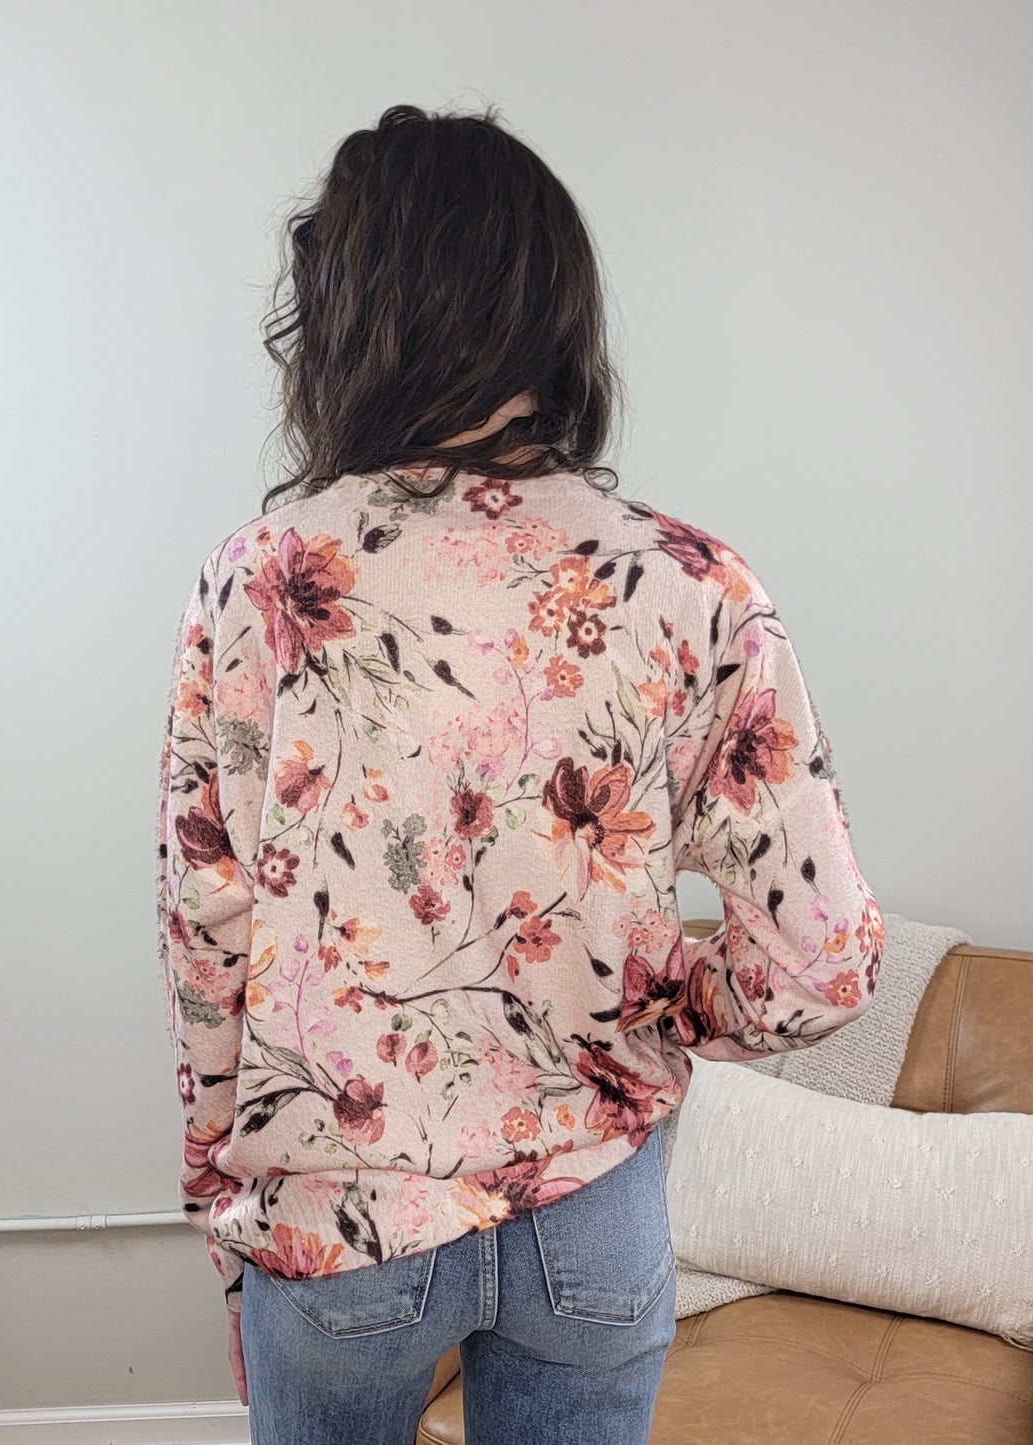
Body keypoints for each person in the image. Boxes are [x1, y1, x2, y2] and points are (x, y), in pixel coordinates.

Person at [154, 101, 885, 1445]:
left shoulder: (261, 580)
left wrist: (218, 1192)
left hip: (337, 1213)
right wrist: (657, 993)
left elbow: (208, 935)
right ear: (553, 311)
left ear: (347, 312)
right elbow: (821, 961)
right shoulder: (689, 584)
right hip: (592, 1209)